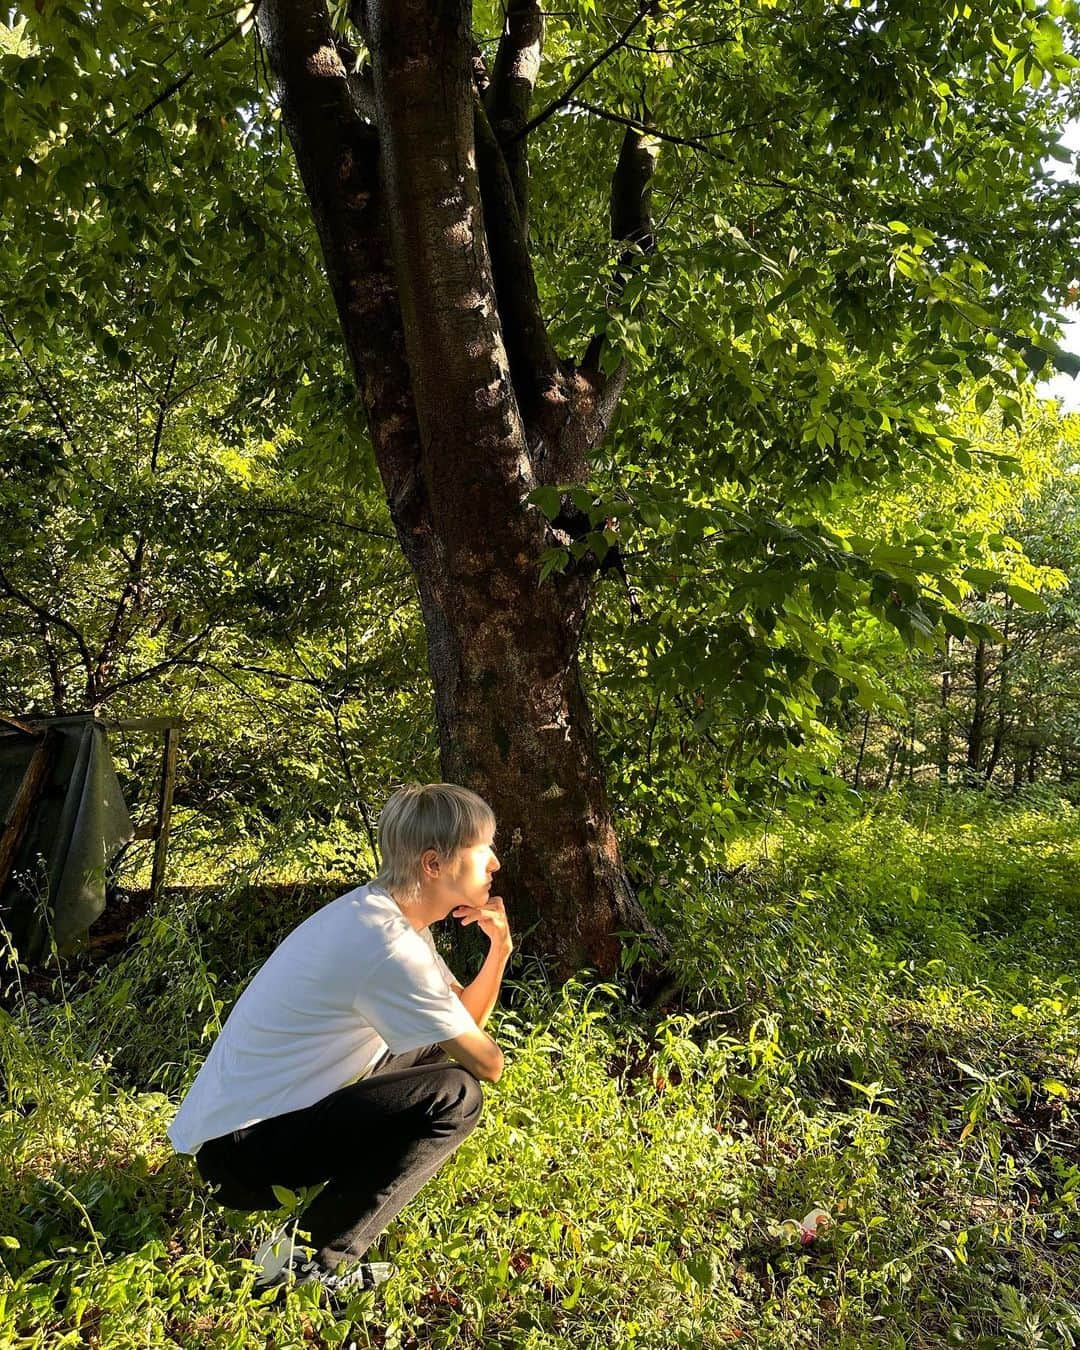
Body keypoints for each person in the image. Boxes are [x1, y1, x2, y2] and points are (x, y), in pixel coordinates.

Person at [166, 782, 512, 1305]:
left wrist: (499, 951)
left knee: (439, 1053)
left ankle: (306, 1250)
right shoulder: (388, 945)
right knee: (457, 1095)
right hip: (240, 1156)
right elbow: (488, 1063)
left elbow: (461, 1024)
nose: (495, 863)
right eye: (481, 848)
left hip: (247, 1135)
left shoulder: (388, 917)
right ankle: (302, 1264)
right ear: (434, 864)